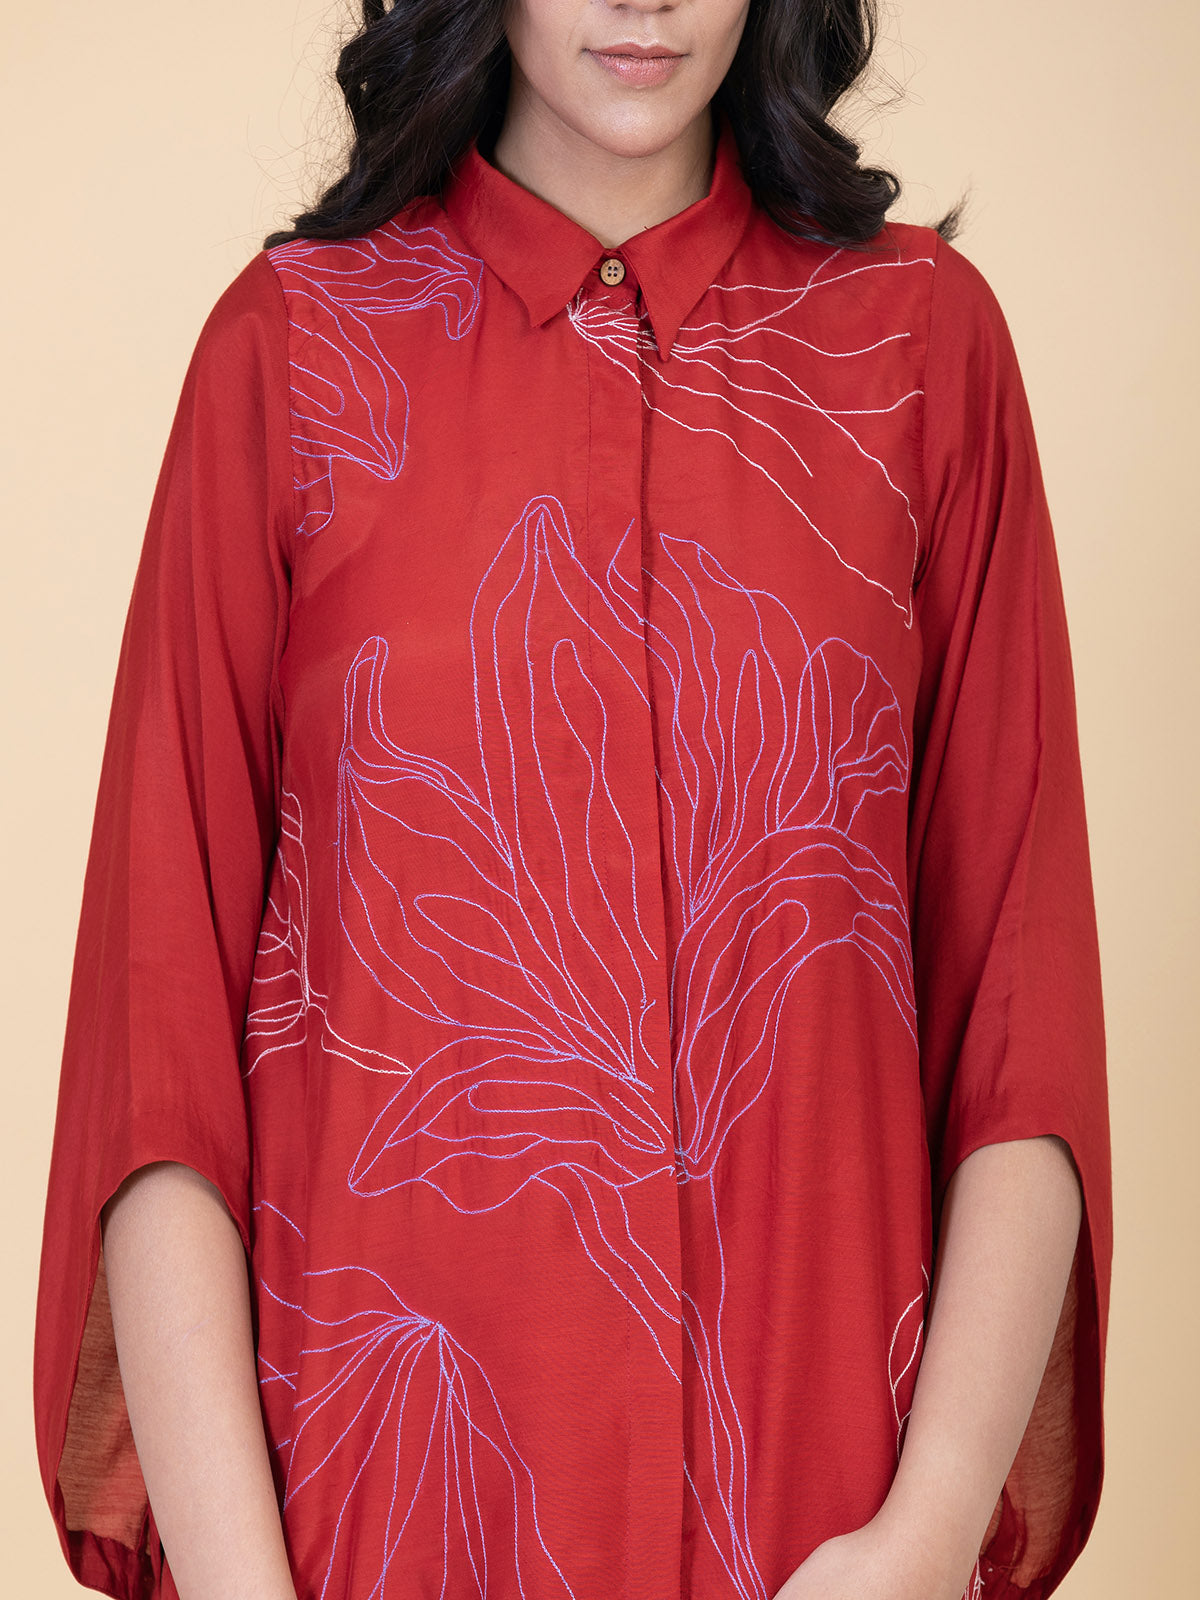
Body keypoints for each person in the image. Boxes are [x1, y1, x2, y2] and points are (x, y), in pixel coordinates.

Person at [33, 2, 1113, 1598]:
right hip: (371, 1542)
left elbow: (1020, 1020)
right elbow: (160, 1052)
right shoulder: (291, 354)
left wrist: (928, 1530)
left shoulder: (920, 350)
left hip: (820, 1533)